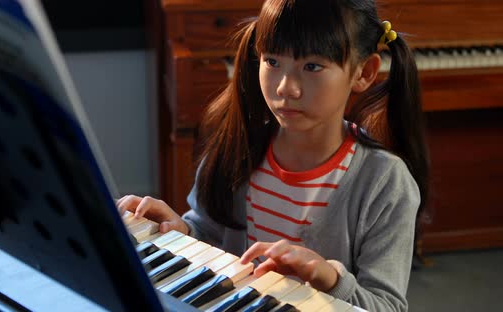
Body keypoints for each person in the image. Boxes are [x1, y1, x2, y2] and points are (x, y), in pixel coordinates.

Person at [118, 0, 429, 311]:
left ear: (364, 72)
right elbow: (209, 233)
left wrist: (331, 279)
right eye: (273, 62)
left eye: (312, 66)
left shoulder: (386, 182)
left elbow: (386, 306)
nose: (286, 88)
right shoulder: (238, 145)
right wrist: (179, 231)